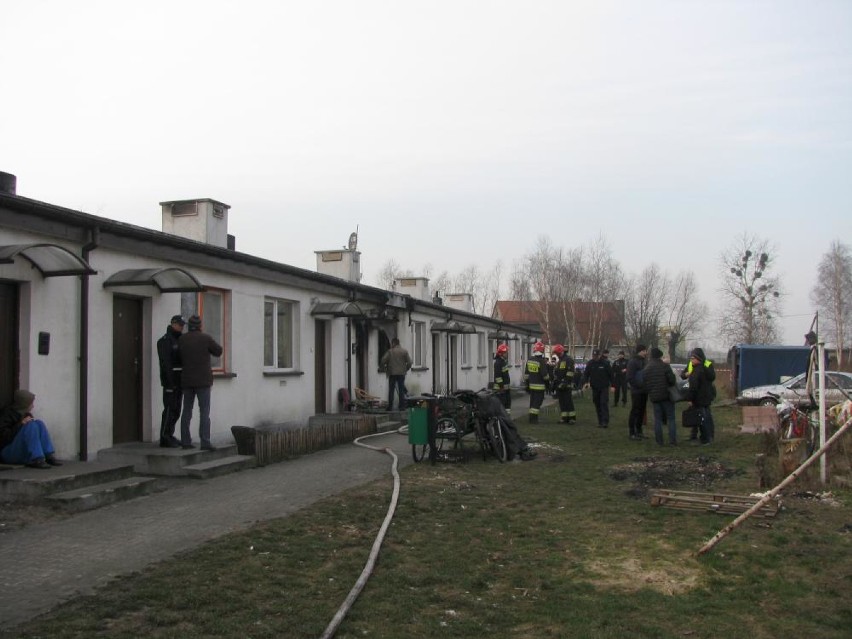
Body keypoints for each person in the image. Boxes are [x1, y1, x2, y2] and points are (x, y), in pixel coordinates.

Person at [179, 315, 224, 450]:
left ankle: (185, 441)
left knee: (187, 410)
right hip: (203, 380)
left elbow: (177, 356)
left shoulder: (182, 339)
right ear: (200, 326)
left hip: (187, 380)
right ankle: (205, 441)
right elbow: (218, 351)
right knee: (204, 411)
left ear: (188, 326)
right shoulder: (205, 338)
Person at [0, 390, 62, 469]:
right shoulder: (6, 414)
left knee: (39, 423)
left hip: (22, 452)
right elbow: (3, 437)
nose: (33, 406)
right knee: (31, 426)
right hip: (7, 453)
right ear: (24, 404)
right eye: (31, 403)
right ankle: (37, 458)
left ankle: (48, 455)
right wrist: (21, 424)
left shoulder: (26, 414)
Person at [156, 314, 185, 448]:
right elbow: (165, 363)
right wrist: (170, 382)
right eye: (179, 325)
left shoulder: (180, 340)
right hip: (170, 381)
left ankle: (170, 434)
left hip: (180, 381)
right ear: (173, 324)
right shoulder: (165, 341)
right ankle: (164, 437)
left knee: (177, 409)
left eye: (182, 325)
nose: (181, 327)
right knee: (169, 408)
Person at [643, 348, 678, 446]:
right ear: (660, 356)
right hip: (667, 395)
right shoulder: (665, 366)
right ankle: (672, 441)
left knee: (657, 419)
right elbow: (672, 380)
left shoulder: (647, 368)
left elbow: (644, 382)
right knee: (671, 418)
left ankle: (659, 442)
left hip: (654, 397)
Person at [685, 347, 716, 445]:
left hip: (700, 398)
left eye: (692, 358)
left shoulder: (697, 371)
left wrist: (689, 399)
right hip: (706, 397)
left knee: (702, 419)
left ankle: (705, 439)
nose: (691, 360)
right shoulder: (704, 368)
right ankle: (709, 437)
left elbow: (693, 387)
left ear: (698, 358)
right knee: (707, 417)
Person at [380, 337, 412, 411]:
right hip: (401, 373)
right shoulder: (404, 351)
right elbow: (409, 362)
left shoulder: (390, 352)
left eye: (391, 343)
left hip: (392, 373)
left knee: (391, 390)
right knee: (401, 390)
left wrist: (383, 368)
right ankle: (402, 406)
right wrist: (406, 369)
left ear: (393, 343)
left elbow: (383, 360)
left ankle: (390, 406)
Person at [584, 349, 613, 427]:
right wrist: (586, 382)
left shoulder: (605, 363)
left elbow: (611, 374)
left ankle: (605, 421)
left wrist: (613, 385)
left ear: (600, 355)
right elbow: (586, 374)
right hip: (595, 387)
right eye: (594, 356)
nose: (595, 357)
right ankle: (600, 421)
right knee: (597, 403)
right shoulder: (590, 363)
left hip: (604, 387)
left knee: (603, 403)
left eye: (596, 356)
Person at [523, 341, 550, 423]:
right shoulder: (541, 361)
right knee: (537, 403)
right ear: (541, 351)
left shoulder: (530, 359)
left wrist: (527, 385)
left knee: (532, 402)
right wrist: (548, 384)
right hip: (540, 386)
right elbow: (544, 375)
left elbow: (526, 374)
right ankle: (534, 419)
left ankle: (531, 418)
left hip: (531, 386)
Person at [626, 344, 648, 440]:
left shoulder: (644, 362)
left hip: (644, 390)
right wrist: (637, 385)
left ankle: (639, 430)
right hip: (636, 391)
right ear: (640, 351)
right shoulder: (633, 362)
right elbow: (630, 377)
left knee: (642, 411)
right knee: (635, 410)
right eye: (644, 351)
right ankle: (632, 432)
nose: (645, 353)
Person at [552, 344, 576, 424]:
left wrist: (565, 382)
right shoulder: (560, 361)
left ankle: (572, 418)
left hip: (567, 385)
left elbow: (570, 372)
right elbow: (557, 373)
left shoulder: (568, 360)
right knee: (562, 402)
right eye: (556, 354)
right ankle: (564, 418)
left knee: (568, 402)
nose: (557, 355)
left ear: (561, 352)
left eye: (558, 353)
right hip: (559, 385)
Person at [492, 343, 512, 414]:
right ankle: (502, 419)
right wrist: (501, 387)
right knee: (502, 405)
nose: (507, 354)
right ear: (501, 353)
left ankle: (507, 419)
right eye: (505, 353)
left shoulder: (503, 362)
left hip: (505, 389)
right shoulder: (498, 363)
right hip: (500, 390)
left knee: (507, 405)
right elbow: (498, 377)